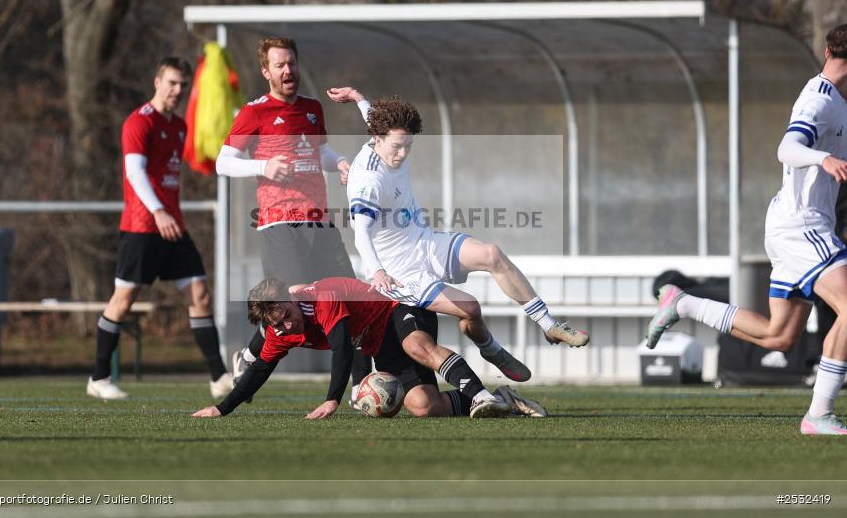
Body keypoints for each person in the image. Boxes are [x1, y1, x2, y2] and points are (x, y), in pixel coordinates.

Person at [647, 23, 847, 435]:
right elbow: (787, 148)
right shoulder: (820, 98)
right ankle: (819, 413)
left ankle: (683, 303)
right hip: (801, 225)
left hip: (794, 224)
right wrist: (823, 158)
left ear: (827, 49)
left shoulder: (839, 100)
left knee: (779, 337)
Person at [325, 87, 590, 383]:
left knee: (492, 254)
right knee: (471, 309)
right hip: (401, 271)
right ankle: (491, 349)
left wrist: (359, 98)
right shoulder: (367, 180)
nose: (402, 153)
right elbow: (360, 232)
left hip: (425, 241)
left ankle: (548, 323)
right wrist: (377, 272)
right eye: (397, 147)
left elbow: (372, 116)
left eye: (408, 146)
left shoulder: (382, 134)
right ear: (378, 138)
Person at [216, 37, 372, 403]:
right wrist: (263, 165)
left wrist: (340, 164)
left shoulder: (312, 108)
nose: (288, 71)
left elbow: (321, 152)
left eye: (292, 64)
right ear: (265, 71)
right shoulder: (254, 112)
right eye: (280, 65)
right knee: (293, 302)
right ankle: (251, 356)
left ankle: (361, 388)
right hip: (279, 223)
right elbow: (223, 162)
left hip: (319, 222)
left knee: (352, 302)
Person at [191, 277, 546, 419]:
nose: (286, 325)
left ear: (291, 299)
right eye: (277, 324)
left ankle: (480, 394)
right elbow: (258, 371)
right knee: (424, 406)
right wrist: (223, 408)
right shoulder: (278, 331)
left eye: (286, 315)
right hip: (378, 340)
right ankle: (504, 400)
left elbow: (343, 347)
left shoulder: (323, 298)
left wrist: (333, 397)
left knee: (417, 344)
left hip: (398, 307)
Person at [87, 57, 233, 400]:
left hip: (173, 226)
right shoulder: (139, 122)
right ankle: (98, 377)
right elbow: (134, 172)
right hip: (142, 225)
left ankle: (219, 377)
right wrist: (157, 211)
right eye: (171, 83)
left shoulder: (180, 127)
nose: (177, 90)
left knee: (200, 294)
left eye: (183, 84)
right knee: (123, 301)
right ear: (157, 82)